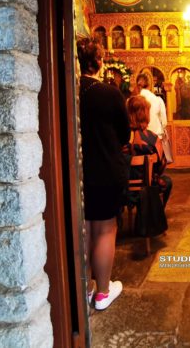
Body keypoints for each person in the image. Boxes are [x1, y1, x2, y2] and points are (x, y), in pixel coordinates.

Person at [78, 38, 130, 311]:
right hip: (106, 169)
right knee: (106, 229)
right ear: (98, 61)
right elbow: (124, 134)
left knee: (84, 228)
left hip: (77, 171)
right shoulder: (109, 94)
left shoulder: (69, 90)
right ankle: (103, 293)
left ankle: (86, 287)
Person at [127, 95, 173, 206]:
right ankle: (155, 210)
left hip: (125, 189)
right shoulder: (154, 138)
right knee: (167, 181)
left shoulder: (122, 138)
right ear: (146, 114)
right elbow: (161, 166)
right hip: (149, 188)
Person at [136, 73, 167, 139]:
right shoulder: (158, 100)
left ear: (138, 85)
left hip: (140, 138)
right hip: (157, 136)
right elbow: (164, 122)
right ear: (149, 84)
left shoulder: (134, 101)